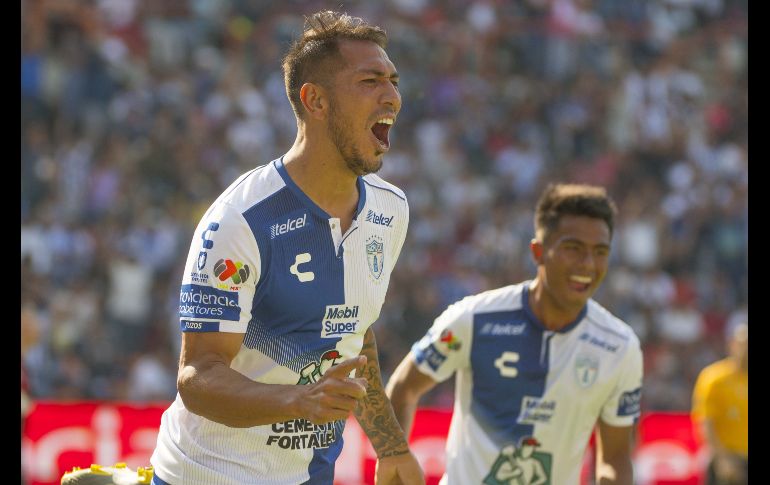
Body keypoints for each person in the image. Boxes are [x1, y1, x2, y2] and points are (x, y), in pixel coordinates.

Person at [63, 9, 424, 485]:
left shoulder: (390, 211)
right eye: (370, 80)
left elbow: (354, 335)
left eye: (393, 80)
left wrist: (391, 445)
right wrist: (298, 400)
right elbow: (198, 375)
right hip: (207, 473)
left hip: (307, 474)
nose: (392, 96)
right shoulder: (240, 220)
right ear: (315, 100)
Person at [386, 183, 643, 484]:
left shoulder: (619, 347)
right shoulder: (474, 320)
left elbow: (615, 458)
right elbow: (404, 387)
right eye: (573, 249)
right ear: (538, 252)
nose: (587, 265)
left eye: (599, 252)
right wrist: (393, 455)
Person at [691, 323, 748, 485]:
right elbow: (705, 422)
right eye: (744, 343)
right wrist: (722, 459)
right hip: (726, 459)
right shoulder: (714, 378)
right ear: (732, 344)